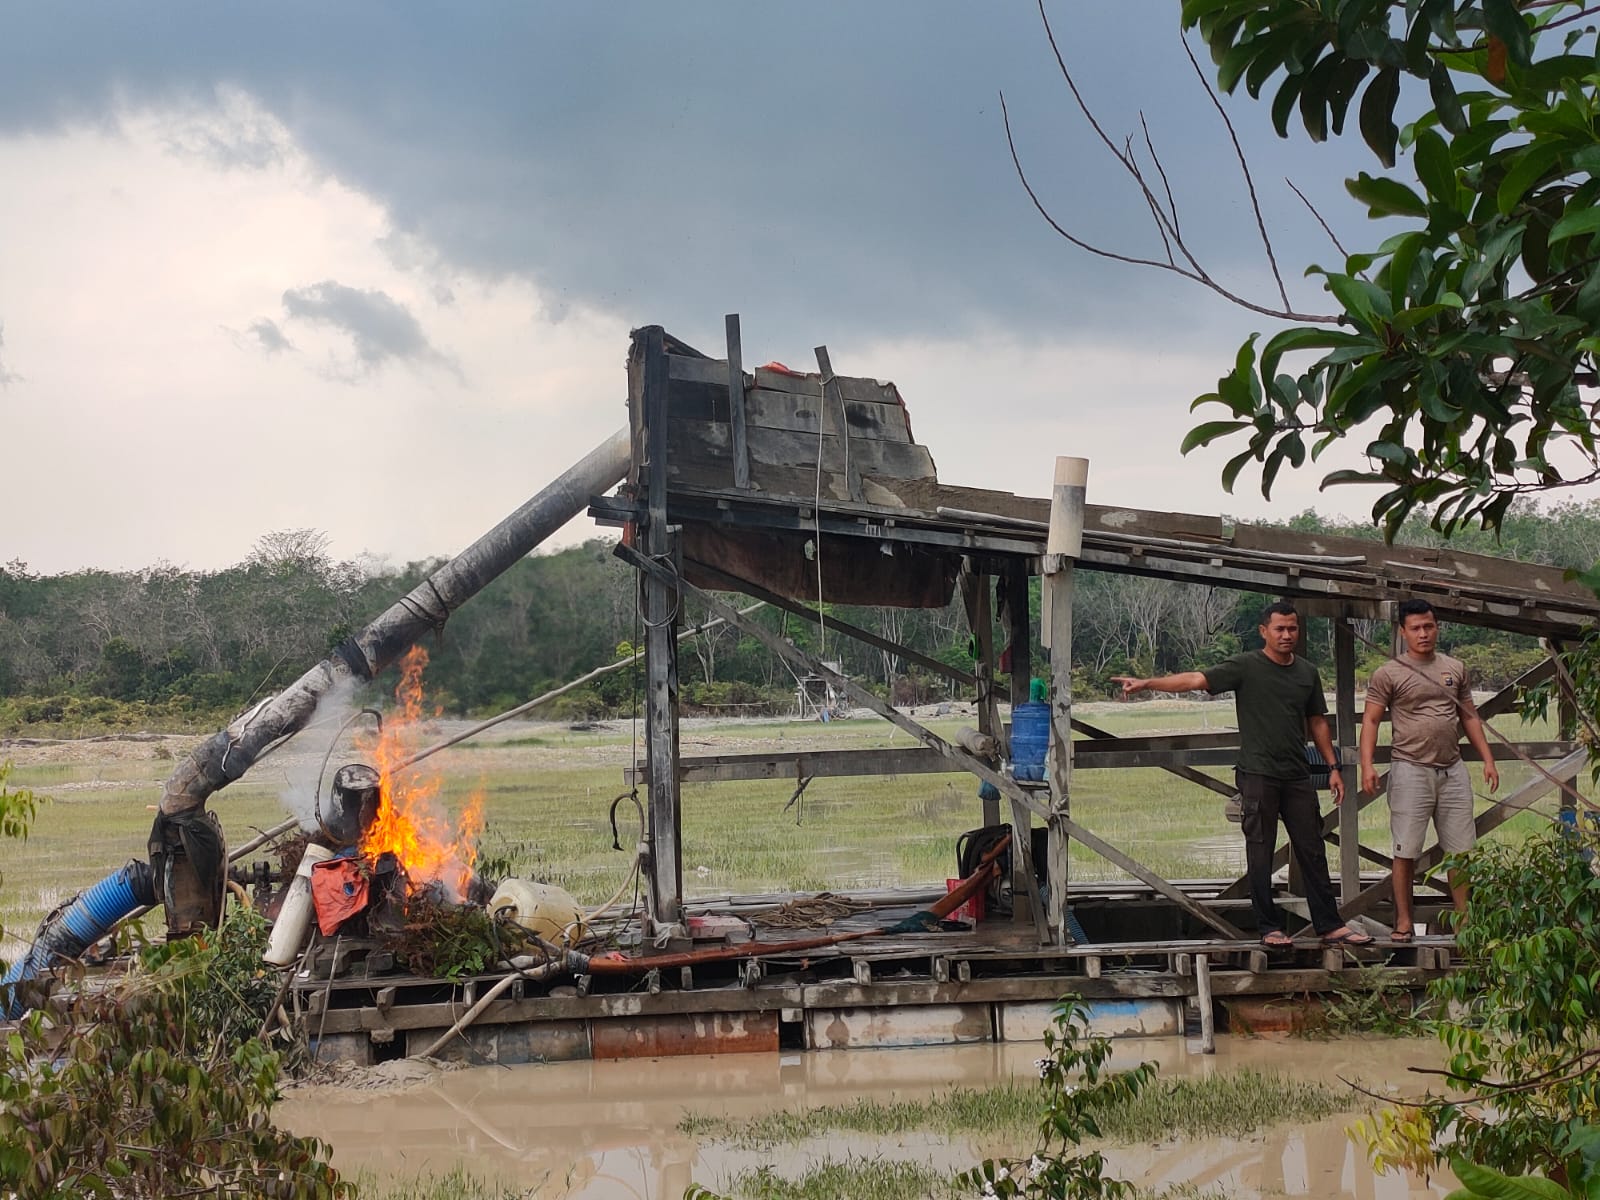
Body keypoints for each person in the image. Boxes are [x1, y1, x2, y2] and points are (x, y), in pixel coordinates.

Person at [1113, 601, 1373, 948]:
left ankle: (1329, 924)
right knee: (1260, 850)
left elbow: (1317, 722)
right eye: (1279, 629)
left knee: (1312, 849)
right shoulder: (1246, 666)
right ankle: (1268, 927)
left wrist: (1333, 767)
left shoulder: (1307, 672)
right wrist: (1148, 682)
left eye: (1292, 628)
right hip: (1258, 774)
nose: (1286, 635)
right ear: (1264, 631)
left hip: (1297, 774)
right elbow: (1196, 679)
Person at [1360, 598, 1498, 940]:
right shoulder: (1389, 672)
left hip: (1452, 769)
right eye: (1416, 628)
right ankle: (1404, 922)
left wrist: (1488, 759)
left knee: (1461, 851)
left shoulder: (1455, 668)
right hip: (1410, 768)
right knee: (1405, 849)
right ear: (1403, 632)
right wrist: (1367, 765)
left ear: (1437, 628)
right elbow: (1371, 720)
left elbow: (1469, 716)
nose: (1423, 634)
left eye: (1428, 626)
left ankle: (1465, 923)